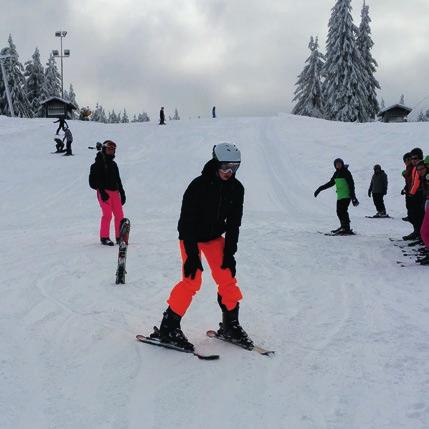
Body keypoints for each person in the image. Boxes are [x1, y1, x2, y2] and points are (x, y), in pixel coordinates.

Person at [149, 143, 253, 351]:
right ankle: (168, 327)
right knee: (192, 280)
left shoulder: (236, 188)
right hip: (191, 236)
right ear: (215, 163)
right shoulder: (198, 185)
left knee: (227, 277)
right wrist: (192, 255)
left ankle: (230, 325)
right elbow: (185, 222)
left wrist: (230, 254)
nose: (229, 172)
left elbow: (234, 224)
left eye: (234, 167)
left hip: (214, 238)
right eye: (225, 166)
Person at [88, 140, 126, 246]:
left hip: (115, 192)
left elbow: (118, 180)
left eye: (113, 150)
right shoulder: (97, 164)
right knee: (107, 215)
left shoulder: (114, 164)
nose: (111, 151)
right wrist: (101, 191)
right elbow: (93, 182)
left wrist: (122, 192)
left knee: (119, 215)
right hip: (104, 192)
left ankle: (119, 237)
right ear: (104, 149)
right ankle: (104, 237)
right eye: (109, 149)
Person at [314, 158, 359, 234]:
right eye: (336, 164)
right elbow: (331, 183)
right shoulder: (336, 173)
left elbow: (351, 184)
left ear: (342, 164)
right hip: (340, 195)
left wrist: (353, 197)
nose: (338, 165)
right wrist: (320, 188)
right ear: (335, 165)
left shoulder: (346, 172)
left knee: (343, 211)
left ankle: (346, 228)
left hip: (346, 195)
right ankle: (343, 226)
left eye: (339, 164)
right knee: (339, 211)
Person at [403, 147, 425, 241]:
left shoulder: (420, 167)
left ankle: (420, 235)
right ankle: (418, 233)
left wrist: (412, 193)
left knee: (418, 216)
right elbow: (410, 180)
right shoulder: (412, 167)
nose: (412, 160)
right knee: (413, 215)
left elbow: (417, 182)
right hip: (412, 193)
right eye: (411, 158)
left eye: (414, 158)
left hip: (418, 194)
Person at [417, 157, 429, 264]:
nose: (420, 171)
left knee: (424, 232)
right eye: (418, 170)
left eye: (422, 168)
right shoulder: (425, 178)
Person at [401, 152, 413, 222]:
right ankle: (410, 216)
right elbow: (408, 180)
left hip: (413, 189)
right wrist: (405, 188)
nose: (406, 161)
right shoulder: (408, 168)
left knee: (411, 204)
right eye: (405, 160)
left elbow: (412, 180)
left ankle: (411, 216)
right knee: (408, 204)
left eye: (408, 159)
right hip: (409, 189)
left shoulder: (413, 168)